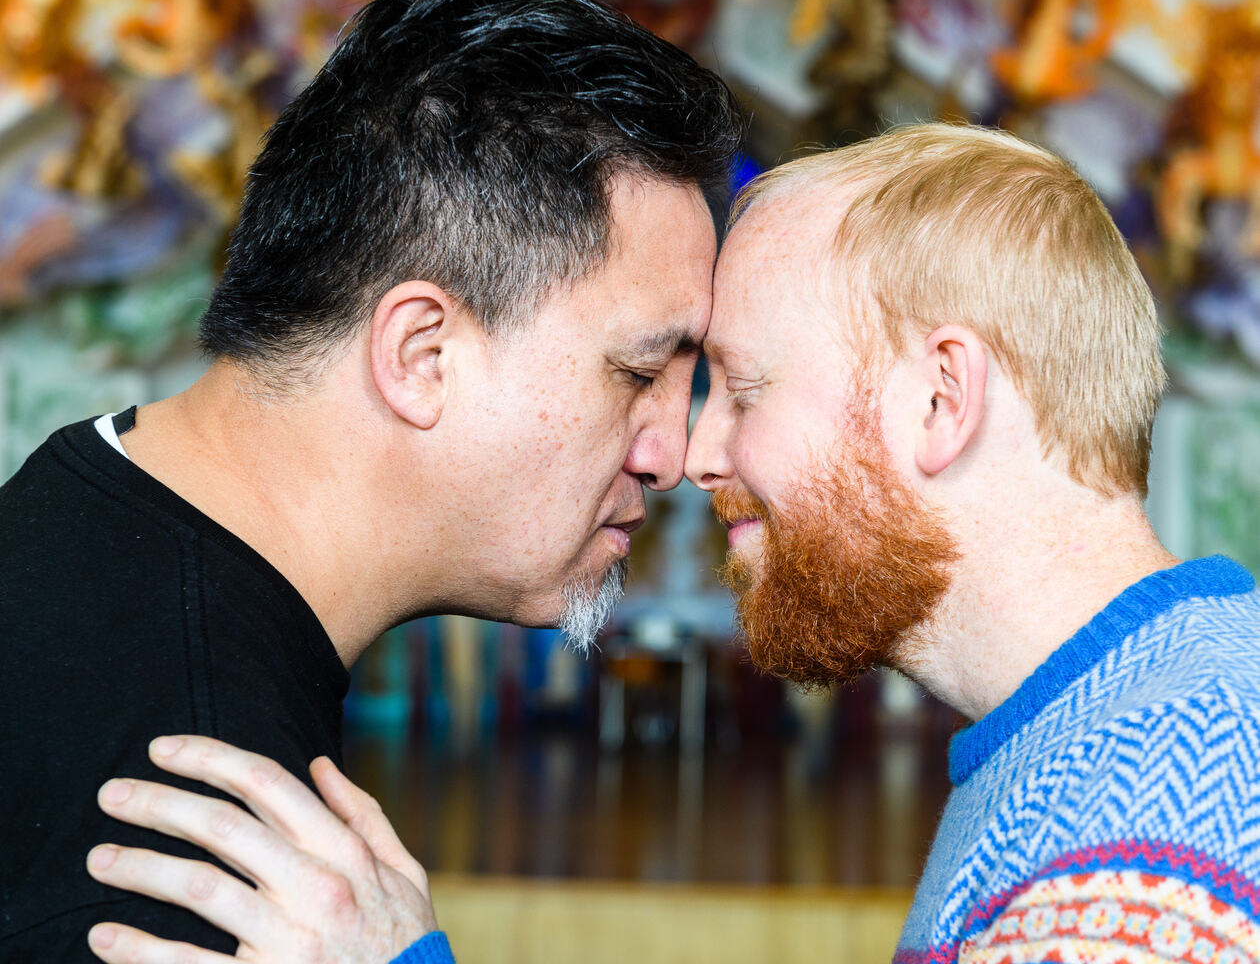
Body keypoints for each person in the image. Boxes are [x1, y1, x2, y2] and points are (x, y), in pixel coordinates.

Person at [83, 123, 1260, 964]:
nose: (696, 456)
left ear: (941, 399)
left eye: (744, 388)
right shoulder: (1150, 712)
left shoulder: (1130, 883)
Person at [0, 0, 743, 962]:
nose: (675, 454)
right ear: (421, 355)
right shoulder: (197, 846)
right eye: (638, 371)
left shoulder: (84, 498)